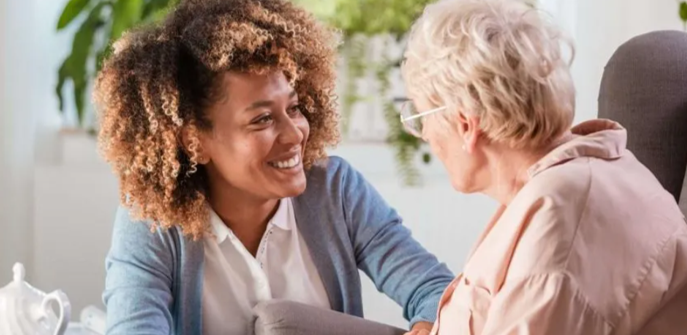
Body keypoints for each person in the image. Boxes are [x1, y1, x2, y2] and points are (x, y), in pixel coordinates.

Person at [94, 0, 454, 334]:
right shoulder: (152, 222)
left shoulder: (336, 191)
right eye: (262, 119)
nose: (294, 133)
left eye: (294, 108)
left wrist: (428, 326)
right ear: (194, 141)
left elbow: (438, 292)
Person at [398, 0, 687, 334]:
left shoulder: (563, 224)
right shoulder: (565, 184)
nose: (424, 135)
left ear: (465, 125)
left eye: (420, 118)